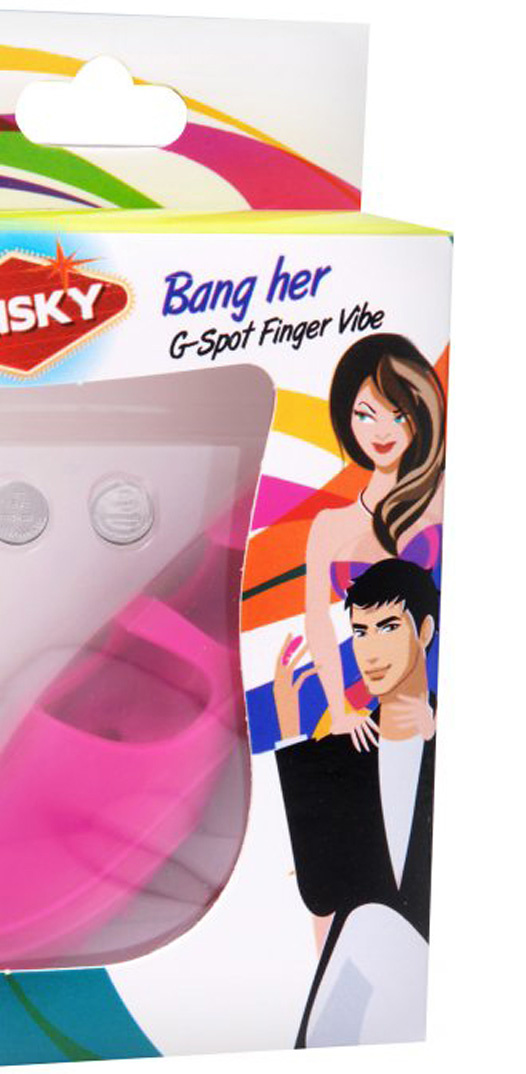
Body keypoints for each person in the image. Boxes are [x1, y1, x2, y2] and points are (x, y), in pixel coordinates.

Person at [273, 559, 439, 1047]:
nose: (370, 651)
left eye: (388, 627)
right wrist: (290, 729)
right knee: (365, 924)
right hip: (357, 1009)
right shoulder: (342, 758)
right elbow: (321, 894)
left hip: (432, 997)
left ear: (425, 631)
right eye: (360, 632)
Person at [305, 334, 445, 750]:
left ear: (420, 413)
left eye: (398, 415)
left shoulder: (440, 496)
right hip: (363, 715)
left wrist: (438, 714)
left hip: (426, 706)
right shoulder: (329, 525)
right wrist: (339, 709)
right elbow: (318, 622)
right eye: (365, 415)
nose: (382, 431)